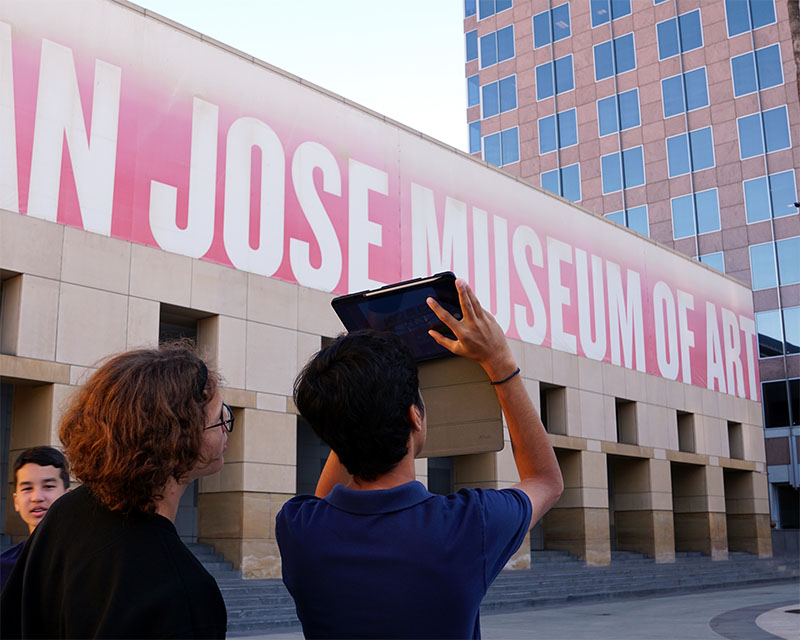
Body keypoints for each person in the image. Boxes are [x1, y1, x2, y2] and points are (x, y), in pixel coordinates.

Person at [276, 278, 564, 638]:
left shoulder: (298, 529)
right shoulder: (470, 525)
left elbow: (328, 488)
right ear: (414, 415)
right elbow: (546, 482)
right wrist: (500, 363)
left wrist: (356, 391)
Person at [1, 344, 231, 639]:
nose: (226, 429)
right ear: (177, 439)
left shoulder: (67, 512)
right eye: (220, 418)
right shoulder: (184, 591)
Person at [0, 447, 71, 590]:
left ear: (68, 496)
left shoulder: (87, 562)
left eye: (48, 486)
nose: (36, 498)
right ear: (16, 501)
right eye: (27, 488)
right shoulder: (3, 567)